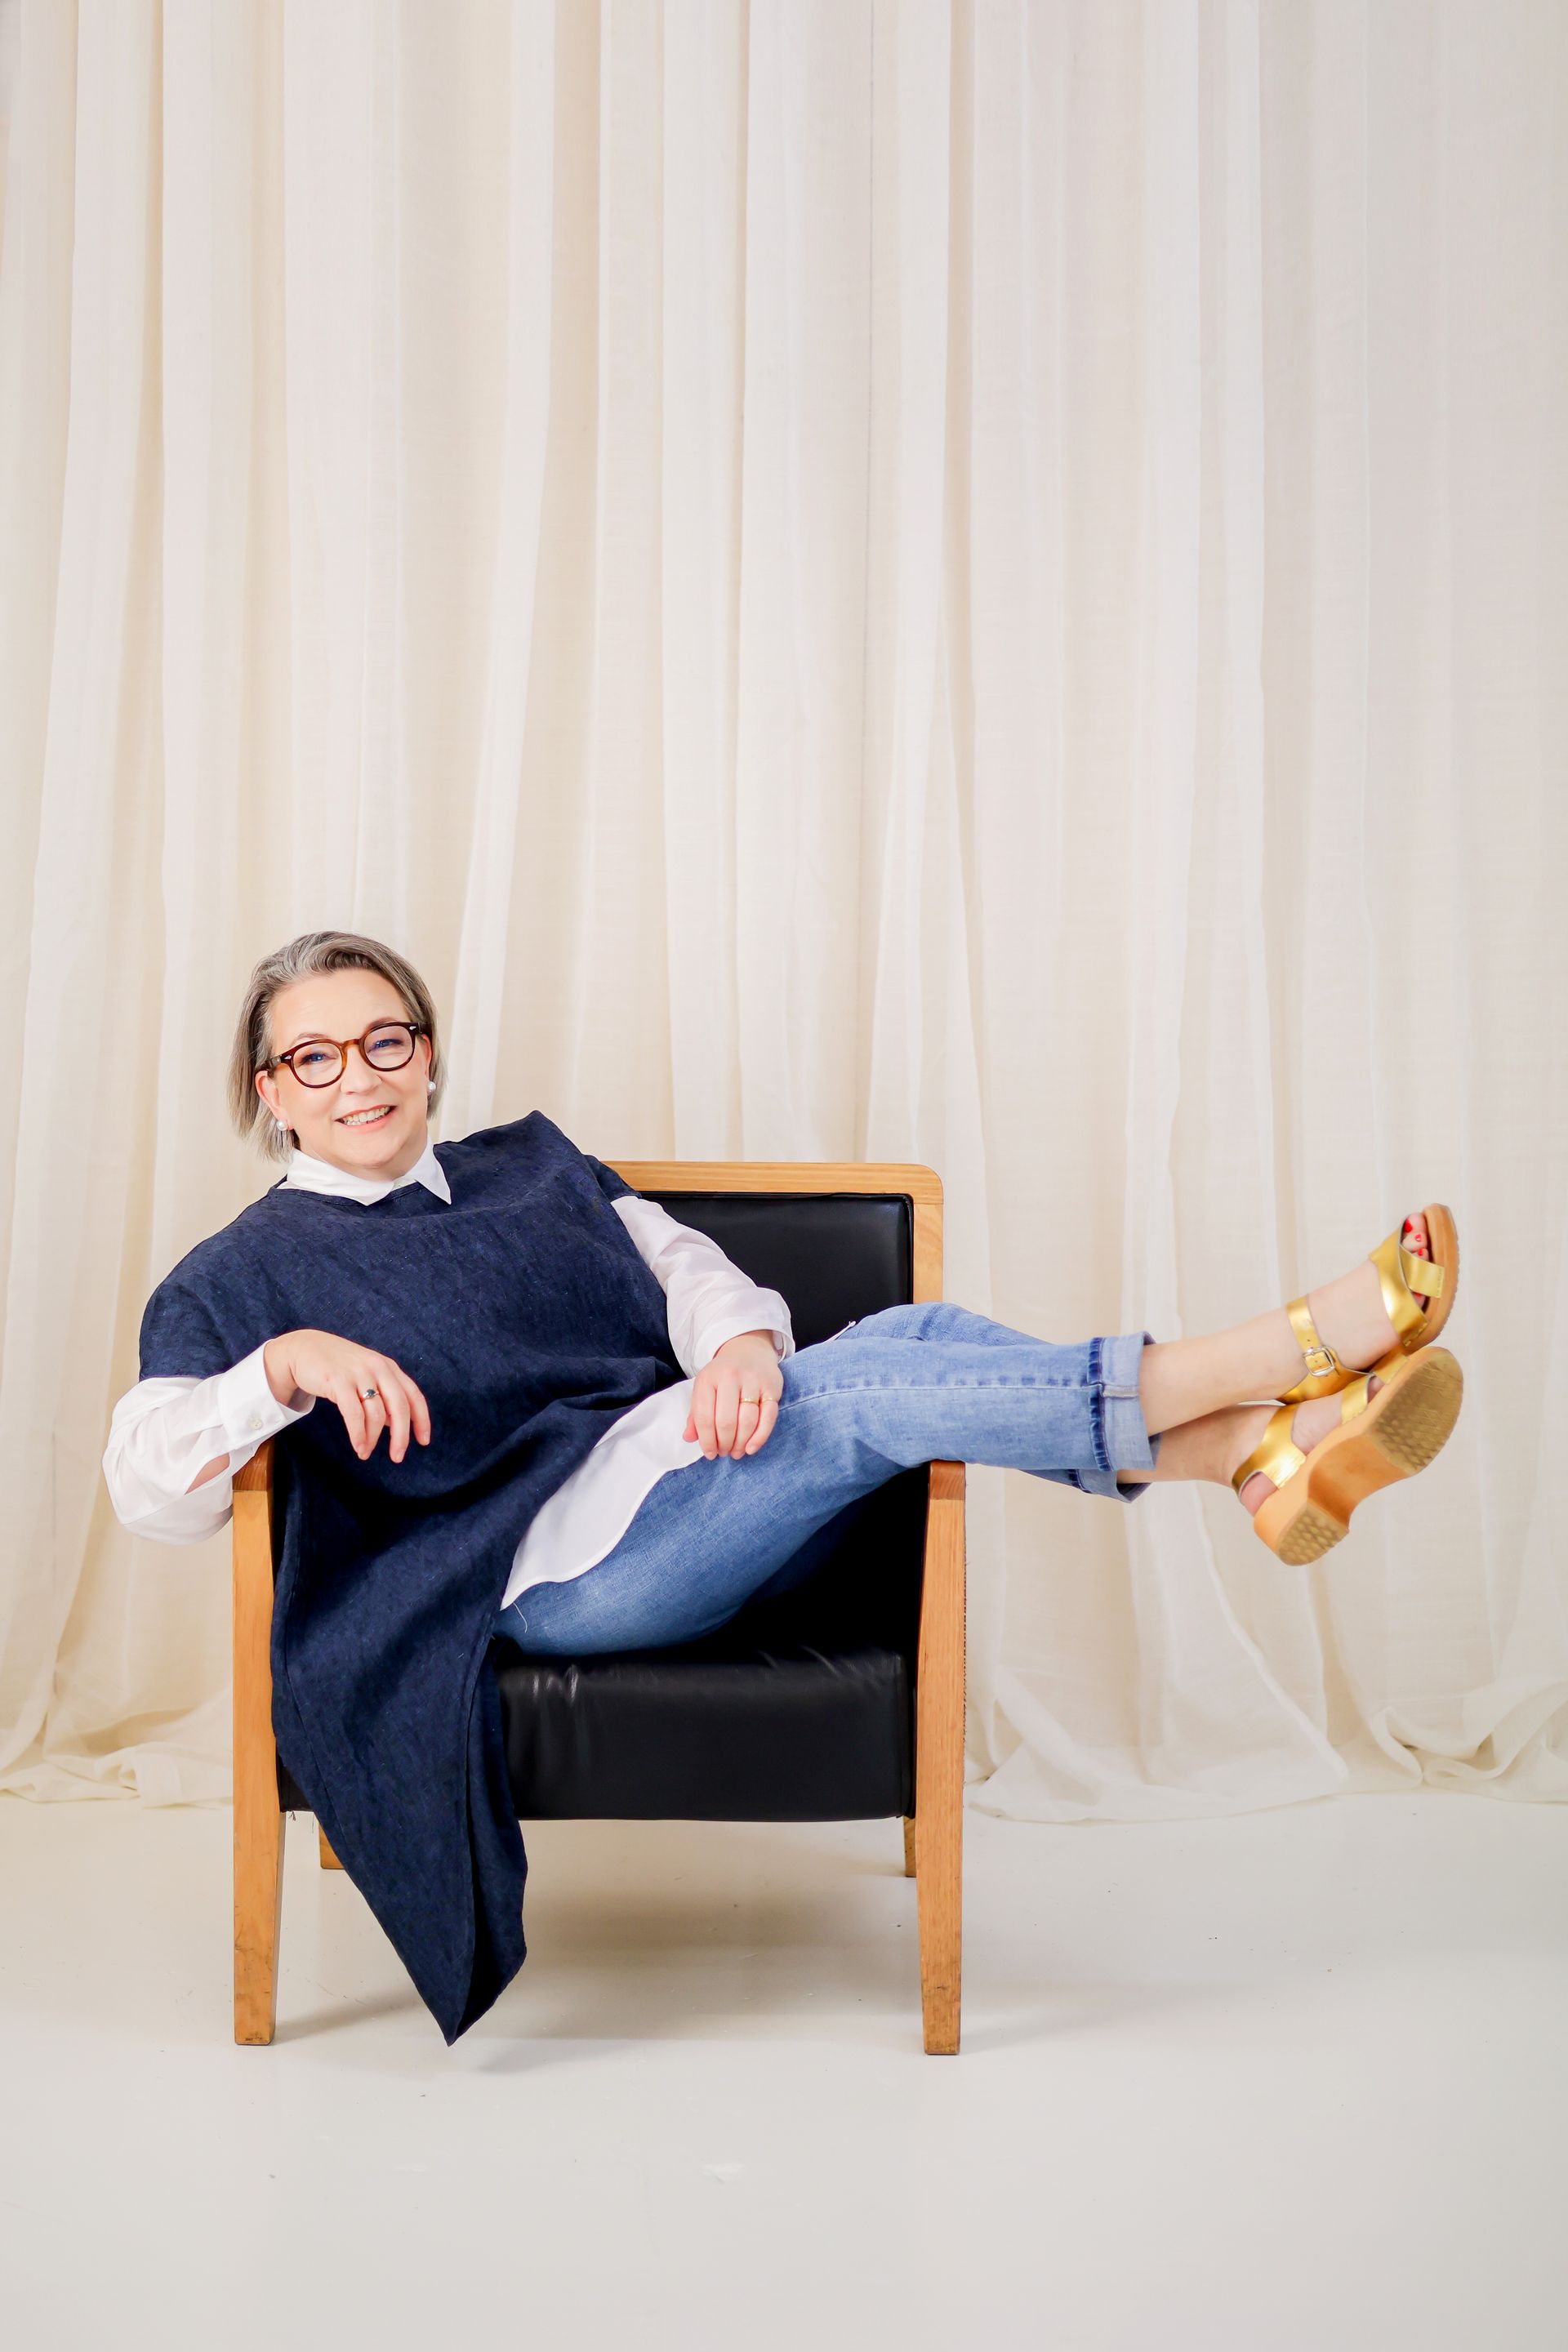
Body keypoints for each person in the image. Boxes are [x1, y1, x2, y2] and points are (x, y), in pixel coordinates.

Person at [102, 929, 1463, 2038]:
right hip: (557, 1578)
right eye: (317, 1056)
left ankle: (1251, 1459)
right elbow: (148, 1485)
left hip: (678, 1475)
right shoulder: (243, 1273)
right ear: (270, 1088)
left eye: (386, 1039)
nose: (361, 1077)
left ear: (429, 1048)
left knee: (903, 1342)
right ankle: (1278, 1358)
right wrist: (275, 1370)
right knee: (871, 1389)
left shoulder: (531, 1165)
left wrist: (744, 1342)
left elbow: (686, 1267)